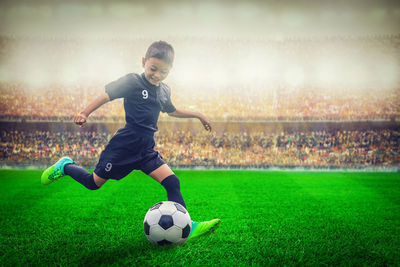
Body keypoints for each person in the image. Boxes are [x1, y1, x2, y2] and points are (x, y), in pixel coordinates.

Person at [41, 41, 220, 240]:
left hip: (145, 150)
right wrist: (84, 113)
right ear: (144, 62)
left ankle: (189, 226)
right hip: (124, 147)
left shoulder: (164, 90)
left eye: (164, 72)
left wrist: (198, 115)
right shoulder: (133, 82)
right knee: (93, 183)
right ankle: (65, 166)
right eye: (153, 69)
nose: (157, 75)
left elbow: (172, 111)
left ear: (170, 71)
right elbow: (106, 96)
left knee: (172, 182)